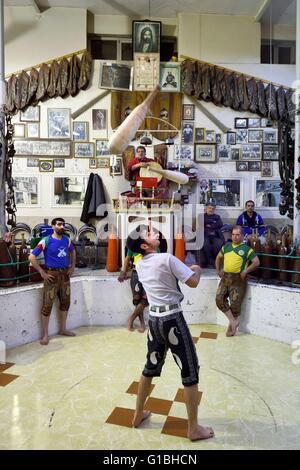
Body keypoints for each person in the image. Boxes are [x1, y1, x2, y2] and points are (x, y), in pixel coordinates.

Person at [126, 225, 214, 441]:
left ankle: (138, 415)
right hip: (172, 319)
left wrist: (184, 268)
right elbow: (192, 282)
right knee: (190, 371)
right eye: (149, 233)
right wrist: (197, 270)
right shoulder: (166, 258)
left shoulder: (140, 262)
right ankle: (193, 429)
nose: (154, 232)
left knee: (149, 367)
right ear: (145, 245)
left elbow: (163, 278)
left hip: (154, 321)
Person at [28, 217, 76, 345]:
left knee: (65, 303)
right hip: (52, 276)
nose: (62, 227)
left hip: (65, 275)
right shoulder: (46, 240)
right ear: (53, 226)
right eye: (59, 224)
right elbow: (32, 257)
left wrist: (72, 266)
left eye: (63, 225)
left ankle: (63, 329)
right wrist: (42, 272)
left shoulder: (67, 240)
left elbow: (73, 251)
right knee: (47, 305)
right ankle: (45, 335)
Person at [215, 225, 260, 337]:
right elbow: (218, 258)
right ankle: (233, 321)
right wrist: (218, 269)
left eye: (237, 235)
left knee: (235, 305)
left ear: (242, 236)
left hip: (238, 279)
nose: (235, 237)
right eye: (233, 235)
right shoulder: (226, 246)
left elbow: (256, 262)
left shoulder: (246, 249)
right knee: (219, 299)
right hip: (225, 277)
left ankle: (232, 327)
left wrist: (246, 271)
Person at [118, 248, 147, 333]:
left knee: (146, 299)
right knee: (137, 299)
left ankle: (132, 318)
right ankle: (142, 323)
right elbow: (127, 258)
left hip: (149, 274)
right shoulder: (134, 245)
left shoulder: (154, 246)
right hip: (136, 273)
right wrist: (123, 272)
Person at [199, 202, 224, 268]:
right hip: (205, 235)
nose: (211, 210)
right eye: (209, 208)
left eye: (213, 208)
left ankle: (215, 261)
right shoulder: (201, 216)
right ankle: (211, 262)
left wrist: (209, 225)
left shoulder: (217, 216)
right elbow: (202, 222)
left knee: (218, 245)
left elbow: (220, 224)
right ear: (206, 208)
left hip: (215, 235)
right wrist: (213, 222)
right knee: (205, 245)